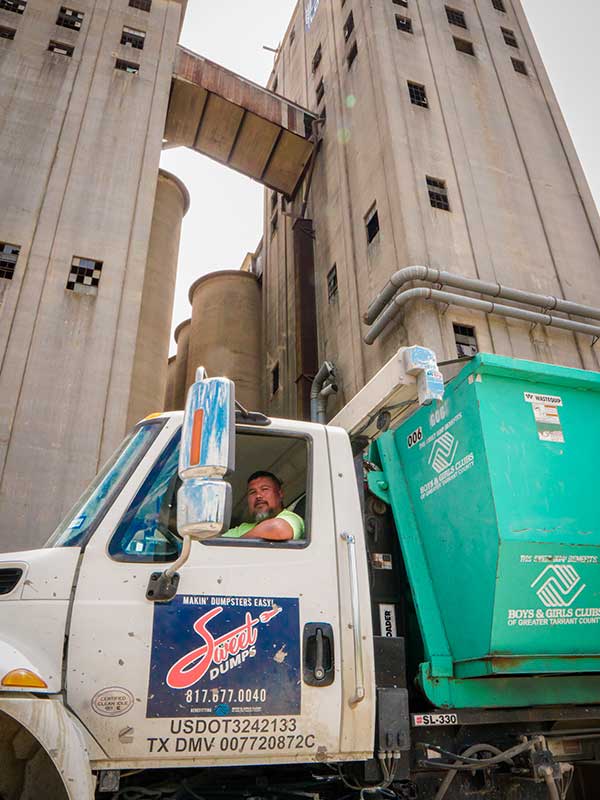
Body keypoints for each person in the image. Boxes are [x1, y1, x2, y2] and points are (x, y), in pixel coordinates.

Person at [222, 471, 304, 541]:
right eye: (252, 492)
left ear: (280, 494)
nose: (258, 496)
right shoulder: (243, 528)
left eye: (264, 489)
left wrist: (234, 547)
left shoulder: (291, 518)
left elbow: (278, 528)